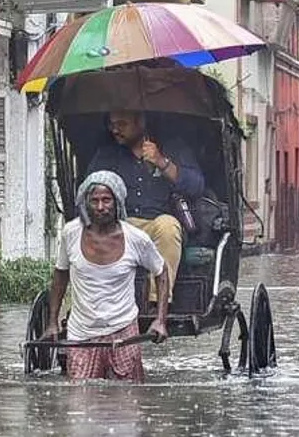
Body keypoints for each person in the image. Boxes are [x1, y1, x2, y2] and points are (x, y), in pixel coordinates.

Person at [42, 170, 170, 381]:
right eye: (94, 201)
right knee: (80, 404)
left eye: (106, 200)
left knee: (127, 401)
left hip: (123, 331)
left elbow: (161, 271)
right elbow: (60, 275)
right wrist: (53, 322)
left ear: (117, 201)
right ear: (86, 203)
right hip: (82, 333)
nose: (100, 207)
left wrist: (160, 320)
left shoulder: (136, 239)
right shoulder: (70, 233)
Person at [86, 110, 205, 309]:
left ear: (140, 122)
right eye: (112, 124)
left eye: (122, 124)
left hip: (160, 224)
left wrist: (162, 162)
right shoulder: (107, 154)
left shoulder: (172, 147)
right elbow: (89, 188)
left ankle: (156, 303)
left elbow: (197, 186)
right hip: (122, 223)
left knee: (167, 226)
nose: (115, 129)